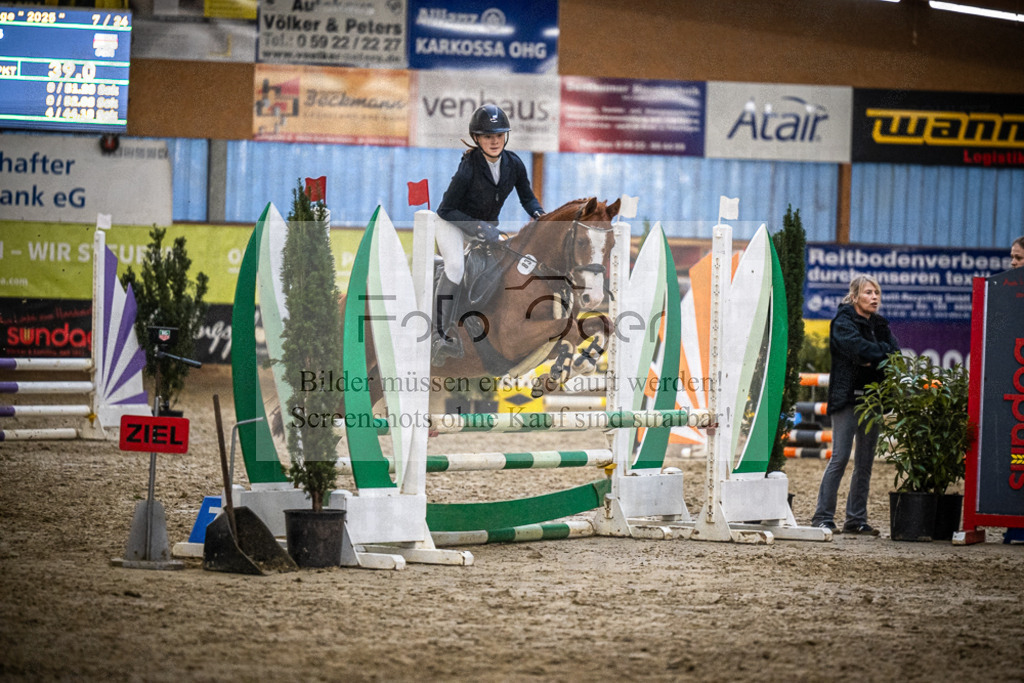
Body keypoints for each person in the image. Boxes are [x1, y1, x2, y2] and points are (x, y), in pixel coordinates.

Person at [431, 104, 545, 364]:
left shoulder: (514, 163)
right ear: (477, 139)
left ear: (505, 136)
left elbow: (527, 197)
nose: (494, 141)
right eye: (487, 136)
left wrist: (540, 214)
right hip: (452, 224)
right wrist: (481, 228)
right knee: (456, 268)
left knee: (500, 268)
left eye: (498, 135)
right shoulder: (468, 168)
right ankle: (439, 335)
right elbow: (446, 209)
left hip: (484, 228)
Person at [811, 275, 900, 535]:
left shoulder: (882, 324)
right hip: (847, 398)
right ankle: (822, 517)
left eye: (877, 293)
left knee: (865, 462)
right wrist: (875, 354)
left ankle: (855, 519)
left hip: (872, 399)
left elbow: (893, 355)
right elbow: (856, 348)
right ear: (855, 296)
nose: (875, 298)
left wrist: (872, 356)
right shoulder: (842, 322)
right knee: (839, 458)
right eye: (869, 293)